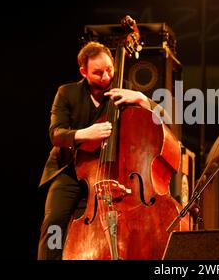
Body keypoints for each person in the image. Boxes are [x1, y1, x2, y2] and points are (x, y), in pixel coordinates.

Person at [37, 41, 156, 260]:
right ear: (83, 71)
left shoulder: (123, 88)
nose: (106, 77)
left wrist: (142, 99)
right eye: (98, 72)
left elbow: (162, 118)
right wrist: (86, 133)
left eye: (109, 69)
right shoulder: (67, 93)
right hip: (70, 169)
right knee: (54, 222)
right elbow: (56, 134)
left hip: (113, 170)